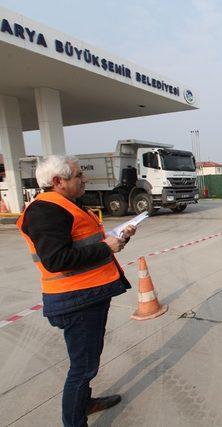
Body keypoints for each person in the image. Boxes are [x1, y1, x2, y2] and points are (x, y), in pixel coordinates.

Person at [17, 155, 136, 427]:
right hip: (76, 301)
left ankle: (85, 402)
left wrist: (117, 239)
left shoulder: (64, 204)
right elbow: (56, 259)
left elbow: (84, 244)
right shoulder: (46, 211)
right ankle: (74, 420)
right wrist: (106, 247)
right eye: (78, 175)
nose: (85, 179)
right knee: (82, 368)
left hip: (87, 295)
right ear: (58, 181)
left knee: (87, 362)